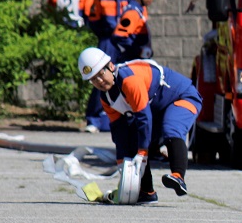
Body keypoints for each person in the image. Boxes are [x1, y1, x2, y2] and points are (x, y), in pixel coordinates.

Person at [77, 47, 203, 204]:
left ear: (110, 66)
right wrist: (121, 162)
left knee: (171, 128)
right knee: (132, 139)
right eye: (93, 79)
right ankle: (146, 192)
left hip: (184, 97)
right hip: (156, 109)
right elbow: (119, 130)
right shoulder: (107, 98)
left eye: (101, 74)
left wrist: (142, 152)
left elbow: (143, 117)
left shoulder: (130, 81)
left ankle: (178, 177)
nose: (99, 81)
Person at [85, 0, 131, 133]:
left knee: (127, 77)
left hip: (127, 43)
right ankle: (94, 119)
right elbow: (94, 20)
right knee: (99, 77)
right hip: (108, 41)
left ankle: (127, 115)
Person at [111, 0, 156, 64]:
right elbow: (119, 36)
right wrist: (138, 51)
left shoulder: (140, 10)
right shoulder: (132, 12)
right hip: (132, 64)